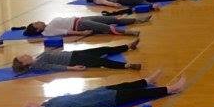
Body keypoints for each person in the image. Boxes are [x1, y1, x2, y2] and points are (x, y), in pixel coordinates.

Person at [17, 70, 186, 107]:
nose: (28, 103)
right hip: (99, 101)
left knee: (124, 85)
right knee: (137, 95)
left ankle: (148, 81)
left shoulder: (46, 105)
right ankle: (171, 89)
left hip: (94, 93)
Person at [12, 38, 142, 75]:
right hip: (74, 60)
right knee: (101, 61)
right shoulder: (36, 65)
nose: (24, 55)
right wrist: (72, 68)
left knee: (103, 49)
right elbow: (54, 66)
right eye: (22, 57)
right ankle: (127, 66)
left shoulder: (37, 58)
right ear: (24, 63)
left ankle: (128, 46)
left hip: (74, 54)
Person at [20, 14, 149, 39]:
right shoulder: (47, 32)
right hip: (80, 25)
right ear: (38, 29)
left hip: (81, 19)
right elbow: (66, 32)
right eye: (36, 24)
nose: (38, 21)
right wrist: (82, 33)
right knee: (105, 27)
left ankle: (137, 20)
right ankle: (128, 33)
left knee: (110, 19)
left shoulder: (48, 25)